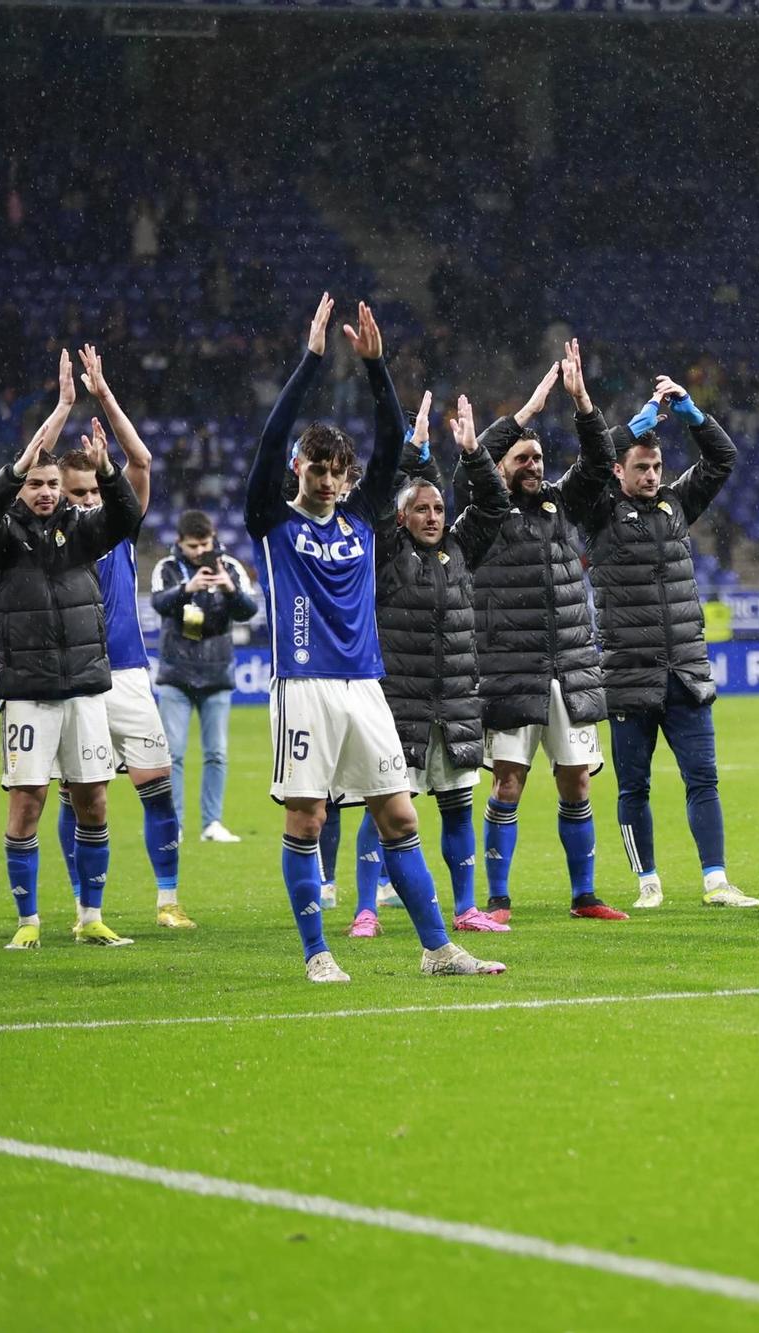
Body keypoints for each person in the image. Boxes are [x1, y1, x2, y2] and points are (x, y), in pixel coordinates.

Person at [243, 294, 503, 983]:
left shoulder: (361, 518)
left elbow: (392, 435)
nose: (326, 480)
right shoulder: (272, 520)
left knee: (397, 813)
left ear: (350, 478)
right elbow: (272, 437)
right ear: (299, 470)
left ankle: (437, 947)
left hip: (366, 686)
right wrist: (310, 360)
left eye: (336, 472)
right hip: (304, 688)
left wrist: (376, 365)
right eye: (315, 469)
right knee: (306, 817)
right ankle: (316, 952)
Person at [0, 351, 142, 949]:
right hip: (28, 694)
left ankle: (90, 918)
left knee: (93, 800)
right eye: (34, 484)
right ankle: (28, 922)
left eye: (51, 484)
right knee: (28, 804)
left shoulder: (81, 532)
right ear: (21, 487)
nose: (43, 492)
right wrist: (57, 415)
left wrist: (106, 471)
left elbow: (127, 513)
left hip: (86, 686)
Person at [564, 372, 759, 909]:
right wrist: (639, 420)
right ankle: (648, 882)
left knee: (704, 779)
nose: (652, 475)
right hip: (628, 674)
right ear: (619, 470)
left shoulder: (676, 505)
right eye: (641, 467)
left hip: (686, 672)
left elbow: (722, 460)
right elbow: (586, 470)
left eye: (656, 467)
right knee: (634, 788)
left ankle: (716, 881)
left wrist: (692, 413)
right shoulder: (599, 509)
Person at [471, 346, 625, 923]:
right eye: (521, 459)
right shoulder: (483, 514)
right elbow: (475, 457)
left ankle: (584, 896)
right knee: (507, 783)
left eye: (537, 458)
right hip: (511, 671)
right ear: (502, 468)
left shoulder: (561, 506)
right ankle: (499, 900)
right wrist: (528, 410)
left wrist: (583, 402)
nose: (533, 465)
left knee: (577, 782)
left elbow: (599, 456)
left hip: (568, 667)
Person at [351, 391, 514, 937]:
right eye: (421, 508)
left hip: (456, 703)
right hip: (399, 703)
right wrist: (409, 452)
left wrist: (473, 454)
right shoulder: (386, 553)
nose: (432, 516)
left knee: (456, 806)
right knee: (384, 811)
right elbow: (371, 506)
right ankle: (366, 909)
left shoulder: (460, 549)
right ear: (402, 517)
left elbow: (493, 506)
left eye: (439, 508)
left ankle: (466, 908)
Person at [51, 347, 190, 929]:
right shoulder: (44, 535)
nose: (84, 502)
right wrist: (61, 410)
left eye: (90, 493)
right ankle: (87, 908)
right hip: (74, 678)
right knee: (79, 799)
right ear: (56, 492)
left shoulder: (119, 526)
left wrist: (102, 394)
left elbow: (141, 460)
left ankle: (167, 900)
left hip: (129, 672)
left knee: (156, 787)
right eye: (74, 493)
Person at [151, 509, 259, 843]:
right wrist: (187, 588)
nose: (200, 551)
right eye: (193, 546)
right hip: (176, 674)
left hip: (217, 673)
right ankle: (176, 825)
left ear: (213, 539)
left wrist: (229, 589)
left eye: (205, 544)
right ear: (180, 543)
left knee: (217, 753)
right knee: (175, 754)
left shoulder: (230, 567)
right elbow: (158, 603)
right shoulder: (167, 568)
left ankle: (212, 823)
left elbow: (249, 610)